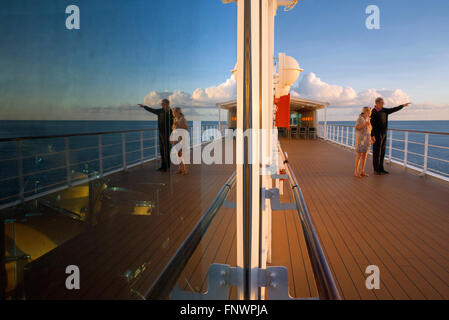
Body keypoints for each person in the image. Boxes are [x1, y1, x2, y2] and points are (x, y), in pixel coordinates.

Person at [370, 97, 411, 175]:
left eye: (383, 103)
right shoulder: (373, 112)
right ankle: (376, 169)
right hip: (376, 134)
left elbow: (393, 109)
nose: (383, 104)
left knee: (382, 152)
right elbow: (371, 125)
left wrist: (402, 106)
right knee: (376, 152)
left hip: (384, 133)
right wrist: (372, 135)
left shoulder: (384, 110)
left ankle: (381, 168)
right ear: (377, 103)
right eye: (382, 103)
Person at [138, 99, 173, 172]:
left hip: (168, 134)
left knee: (167, 150)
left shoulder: (171, 112)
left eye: (162, 103)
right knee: (162, 150)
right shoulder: (160, 111)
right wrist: (145, 107)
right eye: (161, 103)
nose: (161, 104)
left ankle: (167, 166)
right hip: (161, 133)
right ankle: (163, 166)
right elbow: (152, 110)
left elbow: (174, 123)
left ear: (166, 104)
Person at [354, 107, 374, 177]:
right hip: (361, 139)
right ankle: (356, 172)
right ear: (366, 112)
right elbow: (356, 127)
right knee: (359, 155)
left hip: (367, 139)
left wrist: (371, 138)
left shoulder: (368, 119)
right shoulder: (360, 118)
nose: (371, 113)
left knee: (365, 156)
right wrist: (365, 124)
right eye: (370, 111)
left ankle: (362, 171)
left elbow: (369, 130)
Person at [172, 107, 189, 175]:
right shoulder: (175, 119)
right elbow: (174, 128)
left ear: (177, 112)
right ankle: (180, 169)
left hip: (182, 139)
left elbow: (186, 127)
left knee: (183, 154)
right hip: (176, 138)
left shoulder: (182, 119)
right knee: (178, 154)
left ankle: (186, 170)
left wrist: (178, 124)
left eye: (173, 112)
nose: (172, 113)